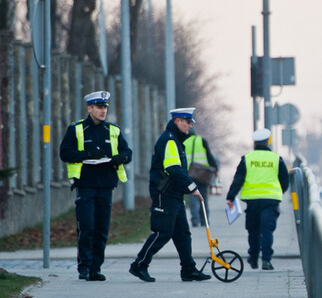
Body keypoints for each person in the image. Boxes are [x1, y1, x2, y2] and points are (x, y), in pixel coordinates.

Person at [129, 108, 211, 282]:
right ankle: (139, 265)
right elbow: (173, 169)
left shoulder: (176, 141)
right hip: (165, 194)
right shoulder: (169, 141)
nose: (190, 126)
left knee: (182, 233)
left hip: (174, 194)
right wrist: (192, 187)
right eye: (187, 122)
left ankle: (189, 269)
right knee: (162, 232)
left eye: (190, 122)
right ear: (177, 122)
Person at [58, 91, 132, 281]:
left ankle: (96, 269)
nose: (103, 111)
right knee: (87, 226)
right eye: (99, 107)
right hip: (86, 185)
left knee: (101, 229)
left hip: (106, 186)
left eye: (105, 107)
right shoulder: (77, 129)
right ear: (89, 108)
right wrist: (86, 155)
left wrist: (122, 157)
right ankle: (84, 267)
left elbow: (127, 151)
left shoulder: (113, 131)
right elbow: (65, 153)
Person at [226, 128, 289, 271]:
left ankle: (253, 257)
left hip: (252, 200)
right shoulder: (276, 159)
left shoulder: (247, 158)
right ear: (268, 142)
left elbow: (238, 179)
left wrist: (230, 196)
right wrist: (281, 191)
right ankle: (266, 260)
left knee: (253, 230)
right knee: (267, 230)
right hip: (271, 200)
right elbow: (284, 180)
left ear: (254, 143)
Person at [182, 127, 219, 227]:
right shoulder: (201, 141)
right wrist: (215, 169)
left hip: (190, 175)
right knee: (203, 197)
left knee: (192, 197)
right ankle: (204, 220)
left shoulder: (183, 143)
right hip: (203, 174)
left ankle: (195, 220)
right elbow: (209, 156)